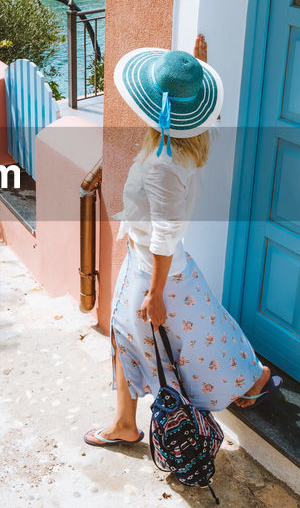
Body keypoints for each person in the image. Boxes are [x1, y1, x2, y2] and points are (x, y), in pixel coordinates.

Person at [84, 35, 281, 447]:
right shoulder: (188, 141)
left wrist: (154, 293)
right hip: (167, 267)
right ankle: (254, 380)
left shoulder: (161, 162)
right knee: (204, 331)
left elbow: (165, 232)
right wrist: (197, 67)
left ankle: (125, 423)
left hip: (155, 270)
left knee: (152, 341)